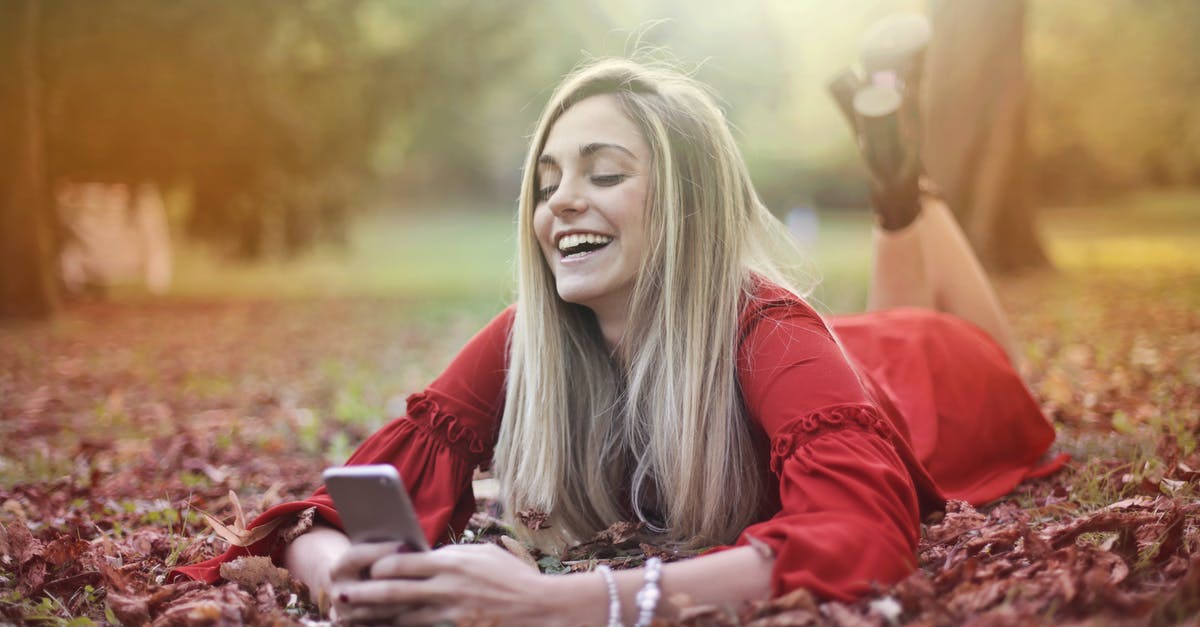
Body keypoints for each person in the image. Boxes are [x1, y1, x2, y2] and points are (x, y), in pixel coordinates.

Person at [172, 54, 1064, 625]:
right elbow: (327, 511)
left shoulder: (774, 332)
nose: (559, 201)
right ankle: (896, 177)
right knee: (888, 326)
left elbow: (859, 536)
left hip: (926, 388)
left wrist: (567, 600)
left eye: (605, 173)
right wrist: (342, 576)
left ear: (686, 204)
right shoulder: (533, 334)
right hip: (843, 358)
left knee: (956, 340)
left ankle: (902, 191)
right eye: (548, 178)